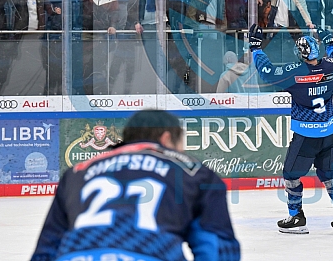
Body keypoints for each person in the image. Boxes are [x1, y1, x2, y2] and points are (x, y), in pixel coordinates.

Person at [30, 109, 241, 261]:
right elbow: (216, 248)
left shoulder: (77, 172)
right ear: (167, 139)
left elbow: (47, 247)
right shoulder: (193, 171)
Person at [248, 24, 333, 234]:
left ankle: (296, 217)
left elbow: (267, 73)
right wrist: (331, 43)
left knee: (291, 176)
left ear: (300, 53)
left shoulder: (295, 73)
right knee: (329, 175)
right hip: (330, 132)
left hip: (306, 135)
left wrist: (256, 48)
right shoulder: (332, 66)